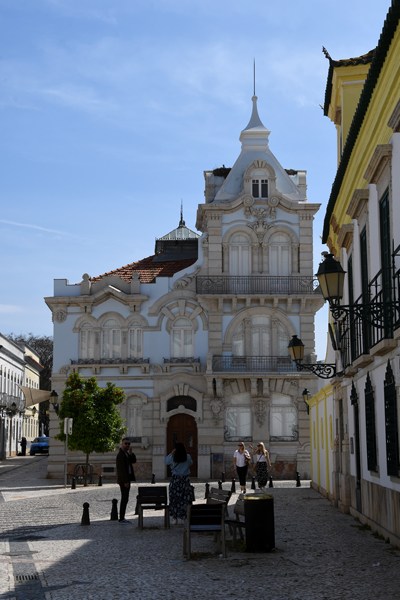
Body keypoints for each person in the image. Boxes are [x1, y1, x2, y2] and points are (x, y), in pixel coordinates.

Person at [165, 442, 193, 522]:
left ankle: (175, 517)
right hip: (185, 481)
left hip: (175, 481)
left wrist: (171, 453)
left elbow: (166, 461)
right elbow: (191, 463)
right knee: (185, 499)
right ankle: (184, 516)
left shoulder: (173, 457)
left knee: (174, 499)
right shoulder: (187, 457)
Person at [116, 437, 137, 523]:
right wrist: (125, 481)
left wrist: (131, 453)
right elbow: (121, 470)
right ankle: (121, 518)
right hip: (124, 480)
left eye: (129, 444)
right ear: (122, 444)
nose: (127, 445)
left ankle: (122, 517)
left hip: (127, 479)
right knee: (124, 498)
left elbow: (134, 461)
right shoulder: (120, 455)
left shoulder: (126, 454)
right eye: (126, 443)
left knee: (126, 498)